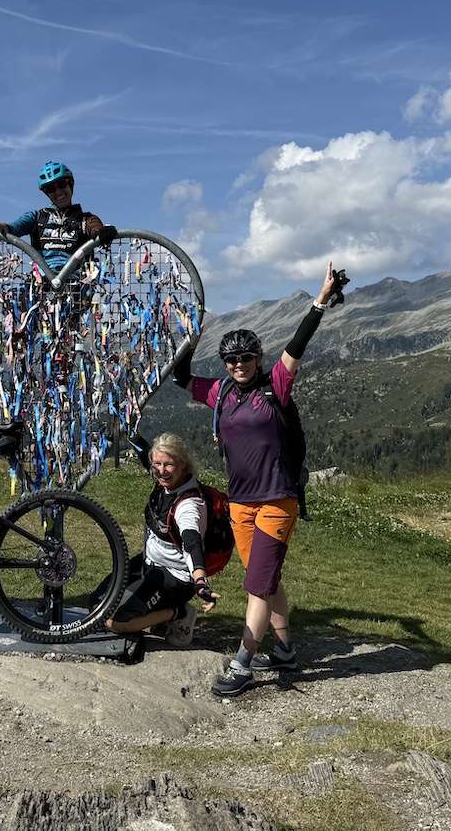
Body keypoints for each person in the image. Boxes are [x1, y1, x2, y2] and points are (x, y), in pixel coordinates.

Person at [173, 262, 347, 697]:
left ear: (258, 357)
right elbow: (180, 377)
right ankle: (285, 651)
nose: (237, 365)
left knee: (256, 585)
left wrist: (321, 299)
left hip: (276, 500)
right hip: (240, 503)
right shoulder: (221, 394)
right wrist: (190, 334)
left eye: (246, 357)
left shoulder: (276, 385)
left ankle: (243, 663)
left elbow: (299, 343)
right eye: (230, 359)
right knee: (264, 579)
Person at [103, 434, 219, 657]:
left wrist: (201, 582)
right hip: (149, 564)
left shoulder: (188, 505)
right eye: (157, 464)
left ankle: (179, 613)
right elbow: (144, 451)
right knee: (97, 604)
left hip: (175, 578)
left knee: (115, 623)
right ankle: (156, 615)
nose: (161, 470)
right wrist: (128, 427)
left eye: (168, 464)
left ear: (183, 464)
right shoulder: (163, 479)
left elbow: (192, 543)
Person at [0, 160, 117, 274]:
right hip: (43, 289)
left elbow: (96, 229)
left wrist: (104, 232)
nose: (58, 192)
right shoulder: (36, 217)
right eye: (51, 189)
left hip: (77, 289)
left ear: (70, 184)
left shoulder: (86, 219)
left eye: (62, 185)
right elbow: (12, 228)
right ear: (46, 193)